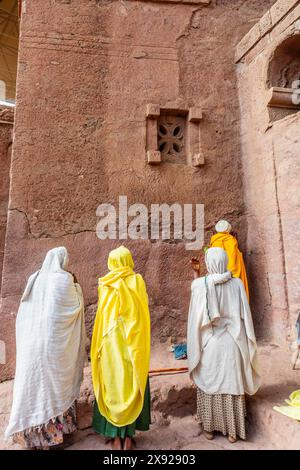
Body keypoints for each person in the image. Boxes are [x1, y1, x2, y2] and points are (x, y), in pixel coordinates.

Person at [5, 247, 86, 449]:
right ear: (63, 260)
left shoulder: (34, 278)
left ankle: (34, 438)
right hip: (53, 348)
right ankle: (52, 437)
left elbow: (25, 309)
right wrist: (77, 289)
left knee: (32, 387)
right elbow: (74, 307)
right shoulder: (65, 279)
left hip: (32, 343)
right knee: (54, 388)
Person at [187, 247, 260, 443]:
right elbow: (245, 315)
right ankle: (232, 432)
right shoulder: (236, 284)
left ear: (210, 263)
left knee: (210, 385)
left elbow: (196, 312)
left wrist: (196, 272)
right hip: (233, 343)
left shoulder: (200, 284)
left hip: (212, 344)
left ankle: (210, 429)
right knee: (231, 385)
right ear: (225, 260)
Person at [91, 246, 151, 451]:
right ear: (128, 261)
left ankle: (115, 438)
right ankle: (127, 438)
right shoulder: (137, 281)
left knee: (113, 386)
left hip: (110, 346)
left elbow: (102, 319)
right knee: (131, 386)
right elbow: (142, 314)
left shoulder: (105, 283)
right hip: (133, 346)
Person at [210, 220, 249, 300]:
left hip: (217, 278)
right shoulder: (231, 241)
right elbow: (233, 262)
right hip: (232, 277)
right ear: (229, 229)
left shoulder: (214, 242)